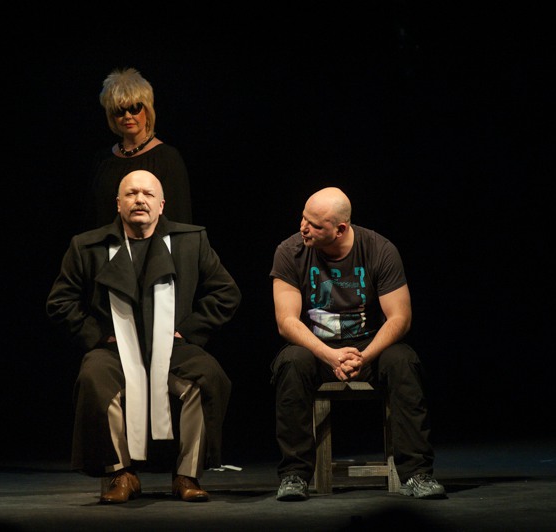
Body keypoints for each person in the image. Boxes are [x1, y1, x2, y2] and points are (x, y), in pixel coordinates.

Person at [47, 170, 240, 504]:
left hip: (173, 348)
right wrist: (98, 335)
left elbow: (227, 292)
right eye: (131, 194)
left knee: (207, 377)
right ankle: (121, 474)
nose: (140, 200)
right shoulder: (88, 246)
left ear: (161, 205)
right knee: (94, 378)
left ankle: (187, 474)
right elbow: (60, 301)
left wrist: (189, 331)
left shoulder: (190, 241)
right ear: (118, 203)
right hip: (115, 351)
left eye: (148, 194)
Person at [269, 186, 446, 501]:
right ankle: (294, 475)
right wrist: (329, 355)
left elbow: (400, 318)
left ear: (340, 229)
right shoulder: (289, 251)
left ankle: (417, 474)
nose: (303, 228)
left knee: (403, 361)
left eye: (314, 225)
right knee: (291, 362)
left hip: (368, 349)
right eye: (303, 218)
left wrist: (364, 357)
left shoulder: (379, 250)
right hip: (318, 351)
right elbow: (287, 321)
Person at [83, 67, 192, 230]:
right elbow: (92, 217)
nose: (127, 116)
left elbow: (179, 219)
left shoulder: (167, 158)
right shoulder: (103, 160)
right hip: (107, 245)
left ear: (147, 110)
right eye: (120, 111)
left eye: (134, 108)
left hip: (153, 246)